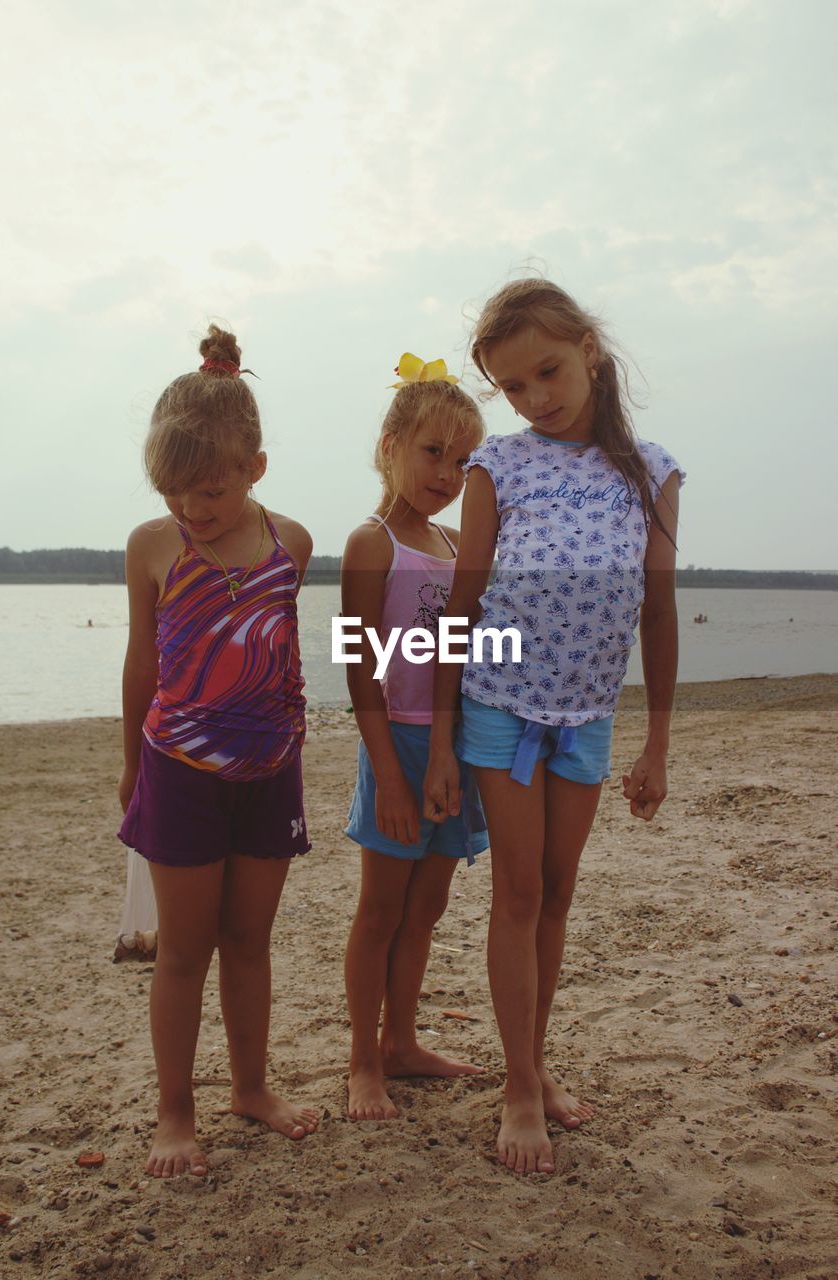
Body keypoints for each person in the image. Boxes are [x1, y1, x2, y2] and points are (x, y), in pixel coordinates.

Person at [423, 281, 683, 1175]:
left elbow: (656, 609)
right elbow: (463, 602)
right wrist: (445, 731)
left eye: (548, 370)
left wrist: (656, 741)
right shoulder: (501, 466)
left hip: (589, 719)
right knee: (520, 893)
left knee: (561, 896)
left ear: (588, 350)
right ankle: (519, 1088)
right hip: (500, 707)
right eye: (516, 386)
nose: (538, 396)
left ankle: (535, 1059)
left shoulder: (650, 471)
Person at [118, 325, 318, 1177]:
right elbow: (143, 659)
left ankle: (249, 1086)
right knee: (184, 951)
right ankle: (174, 1110)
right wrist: (130, 765)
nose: (192, 512)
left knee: (250, 940)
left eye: (209, 492)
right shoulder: (153, 547)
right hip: (181, 775)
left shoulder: (292, 545)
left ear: (254, 469)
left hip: (271, 771)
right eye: (174, 495)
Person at [343, 353, 490, 1121]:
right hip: (394, 747)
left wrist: (451, 753)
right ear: (391, 444)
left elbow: (461, 658)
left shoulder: (456, 547)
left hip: (450, 748)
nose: (446, 472)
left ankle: (402, 1041)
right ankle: (364, 1061)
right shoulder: (373, 545)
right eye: (433, 452)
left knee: (428, 904)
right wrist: (392, 775)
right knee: (381, 909)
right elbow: (360, 672)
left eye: (462, 461)